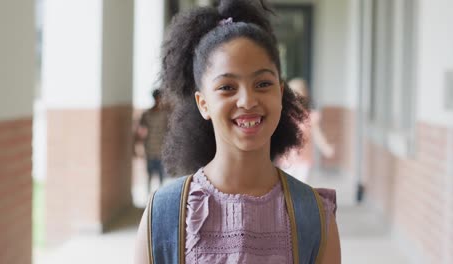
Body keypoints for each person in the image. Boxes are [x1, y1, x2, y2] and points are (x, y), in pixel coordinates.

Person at [135, 0, 341, 263]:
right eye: (227, 87)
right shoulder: (163, 214)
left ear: (280, 93)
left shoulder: (314, 216)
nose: (247, 100)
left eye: (263, 83)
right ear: (203, 103)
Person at [277, 78, 335, 182]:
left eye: (299, 93)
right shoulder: (284, 115)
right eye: (292, 93)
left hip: (304, 161)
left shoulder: (310, 116)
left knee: (300, 188)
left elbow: (317, 134)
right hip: (287, 160)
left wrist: (326, 147)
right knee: (286, 187)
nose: (296, 97)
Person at [134, 89, 169, 193]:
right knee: (149, 175)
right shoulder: (147, 114)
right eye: (157, 98)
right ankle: (148, 197)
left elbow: (169, 131)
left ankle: (161, 196)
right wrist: (136, 147)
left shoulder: (165, 114)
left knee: (161, 176)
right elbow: (139, 132)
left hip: (162, 151)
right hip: (149, 150)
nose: (159, 100)